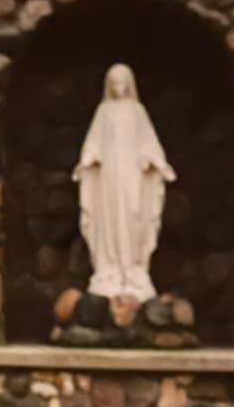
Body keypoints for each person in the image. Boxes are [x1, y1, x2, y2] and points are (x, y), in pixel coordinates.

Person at [72, 62, 176, 301]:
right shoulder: (104, 111)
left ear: (129, 84)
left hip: (132, 173)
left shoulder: (137, 111)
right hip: (109, 175)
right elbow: (94, 141)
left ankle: (133, 268)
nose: (119, 88)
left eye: (122, 83)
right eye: (115, 83)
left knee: (134, 214)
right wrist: (87, 160)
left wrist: (158, 162)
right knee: (109, 218)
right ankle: (109, 268)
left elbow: (148, 141)